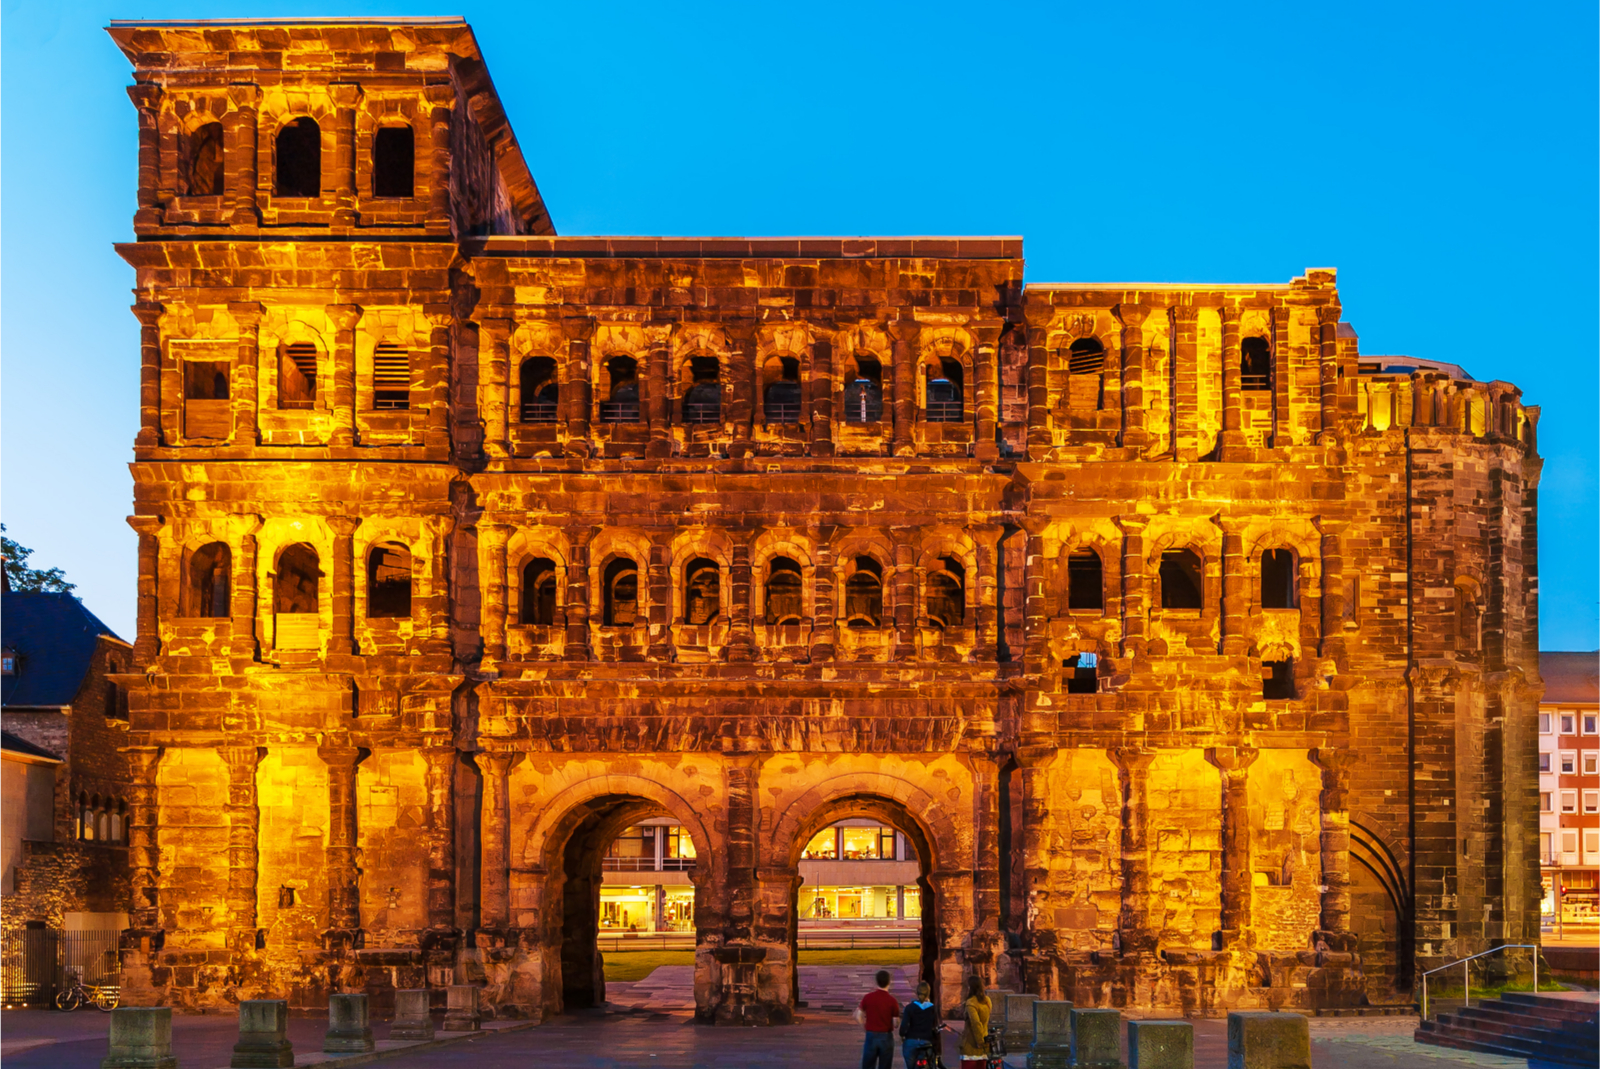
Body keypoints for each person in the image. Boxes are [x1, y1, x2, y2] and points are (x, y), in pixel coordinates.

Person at [854, 968, 900, 1069]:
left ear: (876, 981)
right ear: (889, 982)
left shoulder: (868, 997)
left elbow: (858, 1015)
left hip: (871, 1034)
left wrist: (864, 1026)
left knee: (868, 1065)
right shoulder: (892, 1001)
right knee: (885, 1065)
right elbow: (895, 1023)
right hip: (886, 1036)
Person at [899, 980, 940, 1068]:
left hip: (911, 1041)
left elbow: (903, 1027)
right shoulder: (933, 1009)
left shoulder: (909, 1008)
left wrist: (902, 1035)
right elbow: (937, 1028)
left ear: (917, 993)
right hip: (927, 1041)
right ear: (928, 993)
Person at [957, 975, 991, 1067]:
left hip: (971, 1044)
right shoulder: (987, 1001)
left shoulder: (971, 1002)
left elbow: (975, 1023)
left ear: (970, 988)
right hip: (984, 1042)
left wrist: (979, 1042)